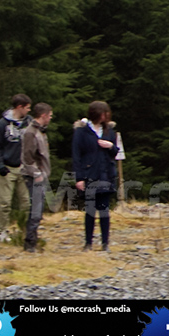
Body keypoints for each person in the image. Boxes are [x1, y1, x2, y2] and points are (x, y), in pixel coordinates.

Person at [72, 101, 119, 250]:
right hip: (89, 175)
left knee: (104, 210)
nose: (105, 116)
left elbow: (115, 152)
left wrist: (110, 146)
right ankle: (88, 243)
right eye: (103, 113)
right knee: (90, 210)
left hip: (105, 174)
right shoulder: (81, 132)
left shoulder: (109, 131)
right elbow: (76, 155)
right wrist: (79, 178)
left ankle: (105, 243)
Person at [0, 94, 32, 241]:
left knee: (26, 202)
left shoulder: (29, 122)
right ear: (19, 107)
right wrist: (0, 165)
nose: (28, 110)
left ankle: (26, 230)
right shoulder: (2, 124)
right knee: (4, 202)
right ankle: (2, 231)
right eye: (27, 108)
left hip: (24, 167)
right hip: (7, 168)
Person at [20, 103, 53, 252]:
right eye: (50, 115)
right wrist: (36, 173)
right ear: (43, 115)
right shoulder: (30, 132)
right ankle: (30, 243)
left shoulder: (40, 131)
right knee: (36, 210)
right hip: (34, 176)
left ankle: (33, 240)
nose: (50, 118)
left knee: (38, 210)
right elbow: (27, 157)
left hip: (41, 175)